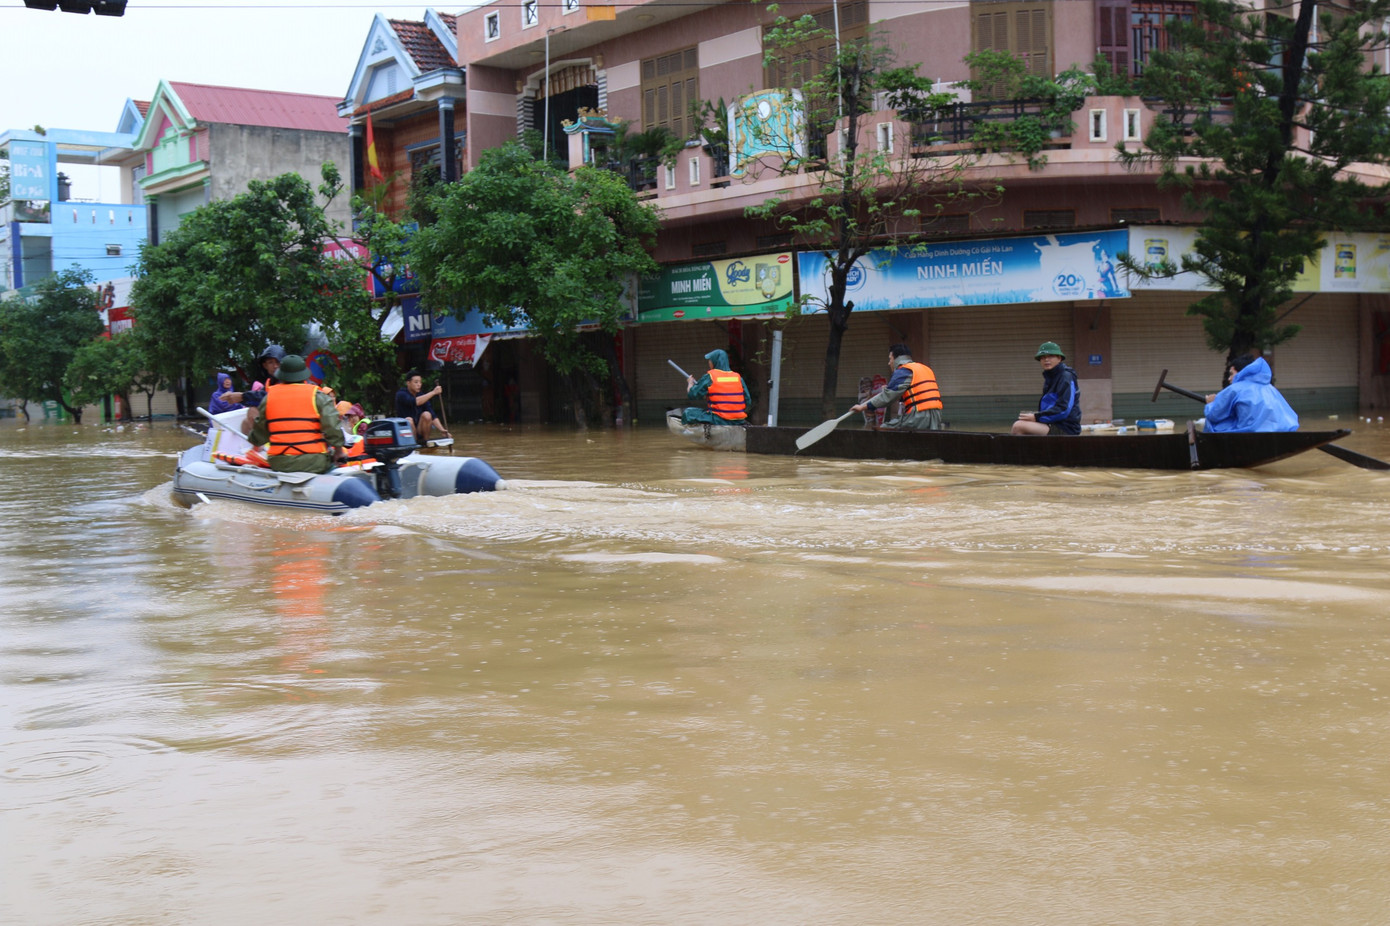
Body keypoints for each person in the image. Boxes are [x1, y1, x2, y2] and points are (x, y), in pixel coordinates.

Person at [246, 354, 347, 474]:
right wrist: (339, 450)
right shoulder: (317, 396)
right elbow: (332, 426)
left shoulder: (268, 398)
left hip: (280, 463)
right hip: (314, 462)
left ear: (281, 376)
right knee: (333, 460)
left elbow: (259, 436)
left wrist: (253, 438)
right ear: (304, 375)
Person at [850, 343, 944, 430]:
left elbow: (887, 397)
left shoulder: (903, 370)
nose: (889, 363)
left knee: (883, 428)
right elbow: (915, 395)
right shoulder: (924, 368)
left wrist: (862, 407)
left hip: (918, 417)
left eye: (890, 359)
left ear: (896, 359)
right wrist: (889, 389)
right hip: (936, 416)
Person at [1203, 354, 1299, 432]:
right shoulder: (1271, 388)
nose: (1229, 379)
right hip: (1282, 432)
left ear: (1242, 372)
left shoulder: (1234, 389)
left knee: (1212, 423)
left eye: (1231, 374)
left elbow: (1214, 415)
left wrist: (1211, 404)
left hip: (1250, 436)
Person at [1012, 341, 1081, 435]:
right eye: (1043, 357)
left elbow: (1063, 409)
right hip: (1051, 424)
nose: (1046, 360)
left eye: (1050, 356)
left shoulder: (1065, 377)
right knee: (1023, 423)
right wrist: (1036, 417)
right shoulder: (1051, 377)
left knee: (1018, 426)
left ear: (1059, 358)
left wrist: (1037, 417)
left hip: (1066, 428)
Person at [680, 349, 751, 426]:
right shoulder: (738, 377)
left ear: (715, 362)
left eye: (710, 360)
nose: (709, 363)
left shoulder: (710, 377)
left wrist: (690, 383)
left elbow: (692, 395)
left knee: (688, 413)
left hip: (719, 419)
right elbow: (748, 401)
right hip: (739, 420)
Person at [395, 370, 450, 443]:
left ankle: (425, 441)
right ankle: (413, 444)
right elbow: (415, 402)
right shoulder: (401, 394)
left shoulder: (421, 395)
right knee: (409, 420)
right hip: (405, 432)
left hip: (419, 429)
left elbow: (432, 415)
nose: (419, 384)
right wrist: (433, 392)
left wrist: (442, 430)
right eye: (416, 382)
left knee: (427, 415)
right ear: (408, 383)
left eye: (420, 382)